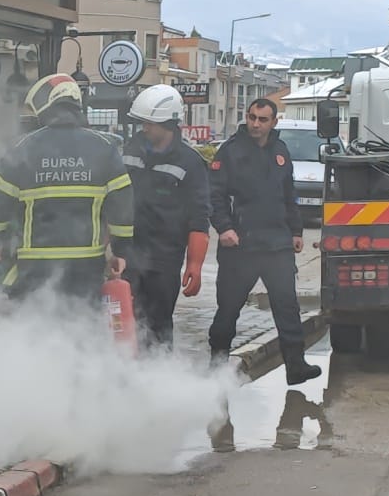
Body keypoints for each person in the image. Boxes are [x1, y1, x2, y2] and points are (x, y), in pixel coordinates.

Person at [0, 73, 134, 314]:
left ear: (46, 107)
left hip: (35, 264)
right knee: (81, 328)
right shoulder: (104, 148)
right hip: (87, 264)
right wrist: (120, 251)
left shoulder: (22, 148)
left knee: (35, 329)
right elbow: (123, 209)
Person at [208, 98, 322, 385]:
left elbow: (289, 196)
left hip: (277, 244)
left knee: (287, 306)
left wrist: (296, 232)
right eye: (252, 117)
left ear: (274, 122)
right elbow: (214, 196)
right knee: (229, 309)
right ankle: (217, 364)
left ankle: (296, 365)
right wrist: (224, 228)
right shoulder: (231, 151)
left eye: (262, 119)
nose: (256, 124)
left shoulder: (281, 152)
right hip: (240, 246)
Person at [121, 84, 211, 350]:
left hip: (164, 259)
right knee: (124, 323)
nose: (145, 128)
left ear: (169, 124)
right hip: (127, 253)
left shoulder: (190, 163)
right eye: (142, 123)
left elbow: (199, 216)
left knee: (158, 325)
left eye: (151, 123)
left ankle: (158, 380)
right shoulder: (129, 152)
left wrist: (194, 265)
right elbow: (112, 199)